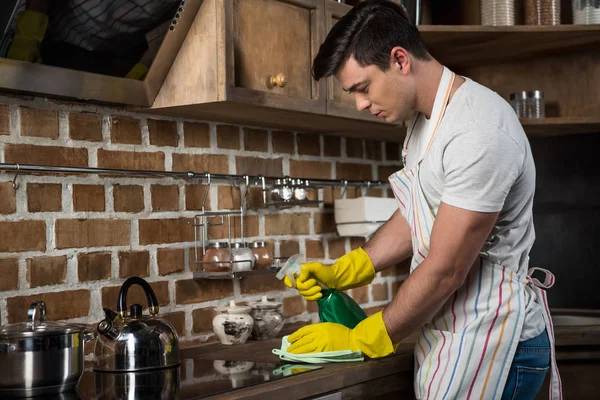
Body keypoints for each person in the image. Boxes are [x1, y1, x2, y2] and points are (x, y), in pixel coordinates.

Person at [284, 1, 562, 399]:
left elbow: (446, 269)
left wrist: (370, 335)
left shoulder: (478, 131)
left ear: (400, 60)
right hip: (458, 333)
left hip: (499, 342)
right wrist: (350, 268)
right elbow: (421, 211)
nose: (360, 104)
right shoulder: (425, 123)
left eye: (362, 88)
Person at [4, 0, 179, 78]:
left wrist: (146, 65)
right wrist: (28, 33)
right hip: (41, 17)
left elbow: (181, 18)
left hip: (98, 49)